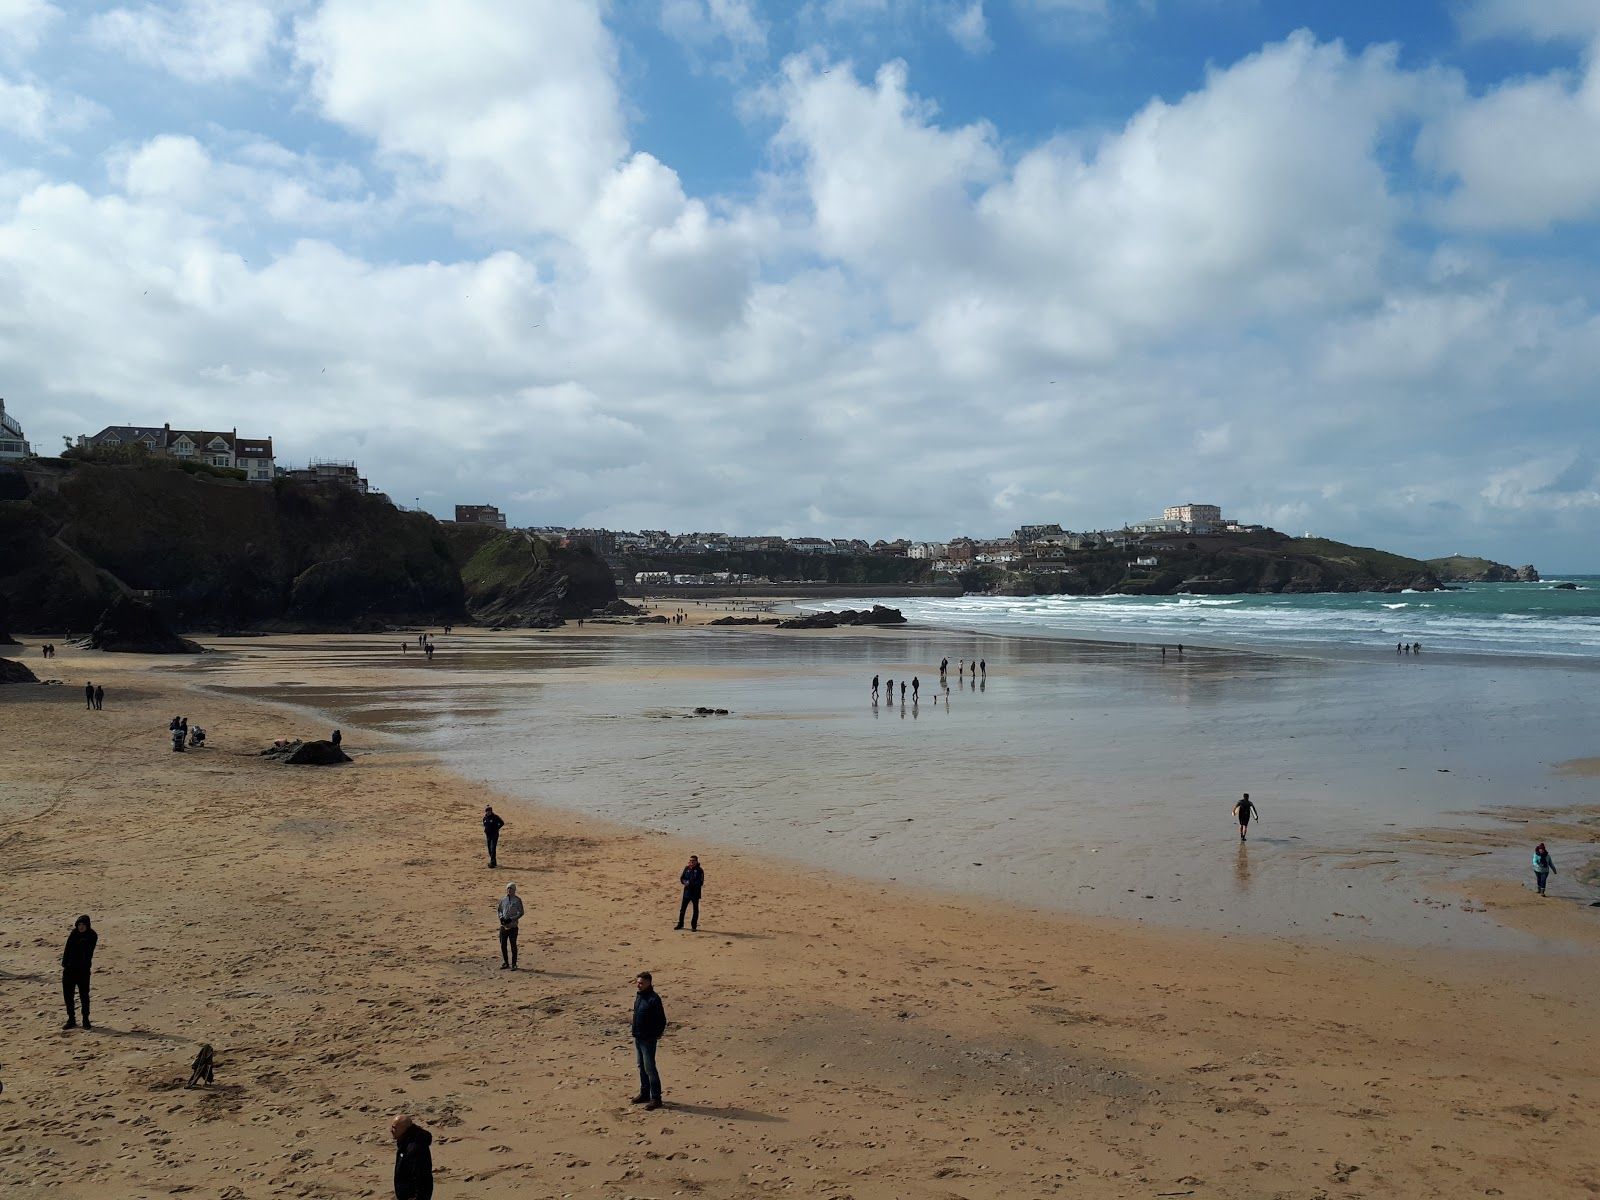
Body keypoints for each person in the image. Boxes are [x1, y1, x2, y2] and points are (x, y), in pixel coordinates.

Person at [631, 972, 667, 1109]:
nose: (638, 985)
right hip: (638, 1037)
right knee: (641, 1067)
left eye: (641, 983)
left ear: (648, 983)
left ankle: (656, 1098)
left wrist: (656, 1034)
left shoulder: (654, 999)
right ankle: (645, 1093)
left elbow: (662, 1020)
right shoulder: (640, 996)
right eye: (637, 982)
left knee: (650, 1068)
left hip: (648, 1039)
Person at [62, 914, 97, 1030]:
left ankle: (85, 1019)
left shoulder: (91, 935)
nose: (81, 927)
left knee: (84, 996)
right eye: (79, 925)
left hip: (83, 971)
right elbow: (67, 949)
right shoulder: (73, 933)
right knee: (68, 995)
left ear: (87, 925)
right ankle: (71, 1019)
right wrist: (65, 964)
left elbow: (88, 951)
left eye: (83, 925)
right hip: (69, 970)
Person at [390, 1115, 434, 1200]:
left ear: (404, 1129)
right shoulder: (405, 1142)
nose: (391, 1131)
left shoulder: (415, 1148)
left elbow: (422, 1176)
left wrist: (418, 1197)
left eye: (395, 1128)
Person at [497, 883, 523, 969]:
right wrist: (501, 918)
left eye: (511, 889)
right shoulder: (503, 900)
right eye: (508, 889)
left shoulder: (517, 900)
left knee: (513, 945)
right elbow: (499, 910)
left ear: (514, 890)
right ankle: (506, 962)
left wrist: (511, 919)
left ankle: (514, 964)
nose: (509, 890)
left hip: (513, 926)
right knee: (503, 945)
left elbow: (521, 912)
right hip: (503, 926)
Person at [675, 855, 704, 931]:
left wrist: (690, 883)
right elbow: (682, 878)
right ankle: (680, 924)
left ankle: (693, 926)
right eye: (690, 861)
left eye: (693, 861)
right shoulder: (686, 868)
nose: (691, 862)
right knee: (682, 909)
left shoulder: (700, 870)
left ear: (696, 862)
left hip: (695, 894)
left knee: (695, 910)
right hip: (686, 893)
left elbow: (700, 882)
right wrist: (685, 882)